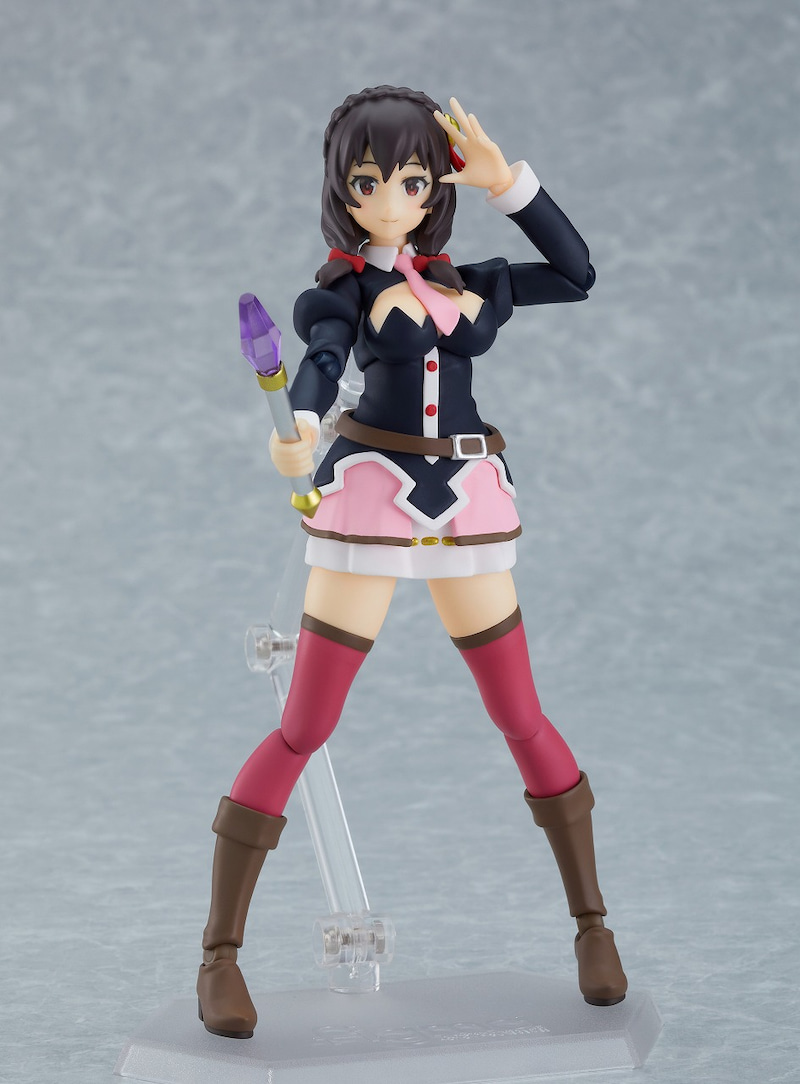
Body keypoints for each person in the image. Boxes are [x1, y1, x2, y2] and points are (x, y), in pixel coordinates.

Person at [197, 86, 627, 1040]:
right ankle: (219, 953)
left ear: (434, 187)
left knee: (520, 714)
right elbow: (321, 359)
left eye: (411, 181)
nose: (389, 200)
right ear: (342, 190)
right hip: (370, 502)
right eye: (368, 182)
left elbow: (577, 274)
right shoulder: (341, 291)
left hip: (467, 502)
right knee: (306, 723)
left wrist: (510, 184)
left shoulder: (473, 280)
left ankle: (593, 926)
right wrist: (298, 421)